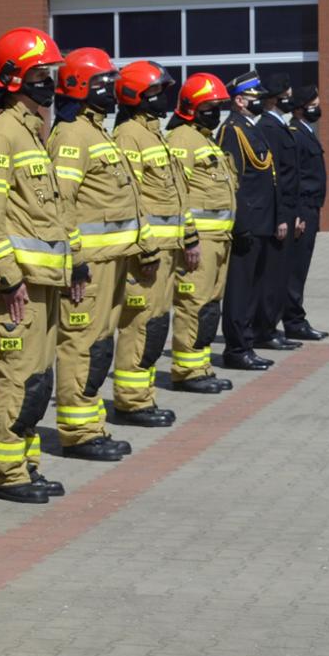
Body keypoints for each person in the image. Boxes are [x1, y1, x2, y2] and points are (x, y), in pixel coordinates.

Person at [0, 28, 72, 503]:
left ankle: (26, 464)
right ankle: (4, 472)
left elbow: (48, 215)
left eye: (51, 74)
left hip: (45, 283)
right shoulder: (2, 137)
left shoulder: (34, 134)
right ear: (15, 80)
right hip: (19, 286)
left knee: (37, 379)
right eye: (40, 74)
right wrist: (8, 277)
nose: (49, 83)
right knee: (16, 378)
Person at [46, 47, 136, 462]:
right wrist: (76, 258)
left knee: (99, 346)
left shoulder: (97, 131)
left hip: (113, 261)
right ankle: (77, 433)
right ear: (81, 86)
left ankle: (91, 423)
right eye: (103, 82)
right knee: (81, 345)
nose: (112, 89)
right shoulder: (70, 135)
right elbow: (60, 202)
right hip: (90, 267)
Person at [105, 61, 190, 428]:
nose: (162, 99)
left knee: (155, 326)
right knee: (139, 325)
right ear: (135, 96)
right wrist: (146, 249)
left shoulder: (153, 134)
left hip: (166, 252)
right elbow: (133, 198)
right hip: (148, 253)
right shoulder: (128, 136)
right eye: (155, 93)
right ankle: (131, 402)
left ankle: (143, 396)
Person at [163, 73, 237, 394]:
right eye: (209, 106)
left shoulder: (206, 139)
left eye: (218, 106)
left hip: (220, 240)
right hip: (200, 242)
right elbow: (177, 193)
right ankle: (186, 371)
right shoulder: (181, 140)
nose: (215, 112)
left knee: (209, 307)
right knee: (193, 303)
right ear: (191, 107)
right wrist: (188, 237)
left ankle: (201, 366)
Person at [217, 72, 280, 371]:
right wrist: (240, 224)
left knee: (254, 287)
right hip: (248, 224)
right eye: (255, 98)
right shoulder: (232, 131)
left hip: (262, 222)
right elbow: (233, 183)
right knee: (240, 290)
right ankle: (236, 349)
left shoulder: (251, 129)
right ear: (240, 101)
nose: (260, 103)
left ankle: (248, 343)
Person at [254, 72, 305, 350]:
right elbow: (273, 178)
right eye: (286, 95)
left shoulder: (279, 126)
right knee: (271, 277)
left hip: (287, 210)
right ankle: (265, 329)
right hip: (278, 214)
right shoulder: (269, 128)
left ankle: (269, 327)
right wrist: (280, 217)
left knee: (280, 273)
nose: (290, 99)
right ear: (274, 99)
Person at [282, 84, 328, 340]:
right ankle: (293, 321)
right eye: (313, 105)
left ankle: (294, 317)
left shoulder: (305, 131)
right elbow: (295, 177)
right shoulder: (296, 133)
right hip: (303, 211)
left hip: (311, 208)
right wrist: (298, 213)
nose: (317, 108)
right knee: (295, 269)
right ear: (299, 109)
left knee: (301, 267)